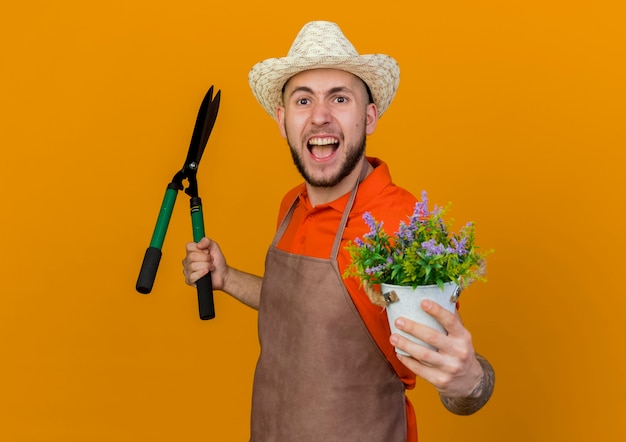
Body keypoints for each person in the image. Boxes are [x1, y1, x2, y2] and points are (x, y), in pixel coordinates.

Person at [183, 20, 494, 442]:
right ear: (282, 120)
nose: (320, 116)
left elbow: (449, 367)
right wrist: (227, 278)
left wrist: (470, 380)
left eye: (339, 98)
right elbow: (305, 312)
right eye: (303, 100)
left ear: (369, 117)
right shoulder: (292, 205)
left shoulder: (402, 225)